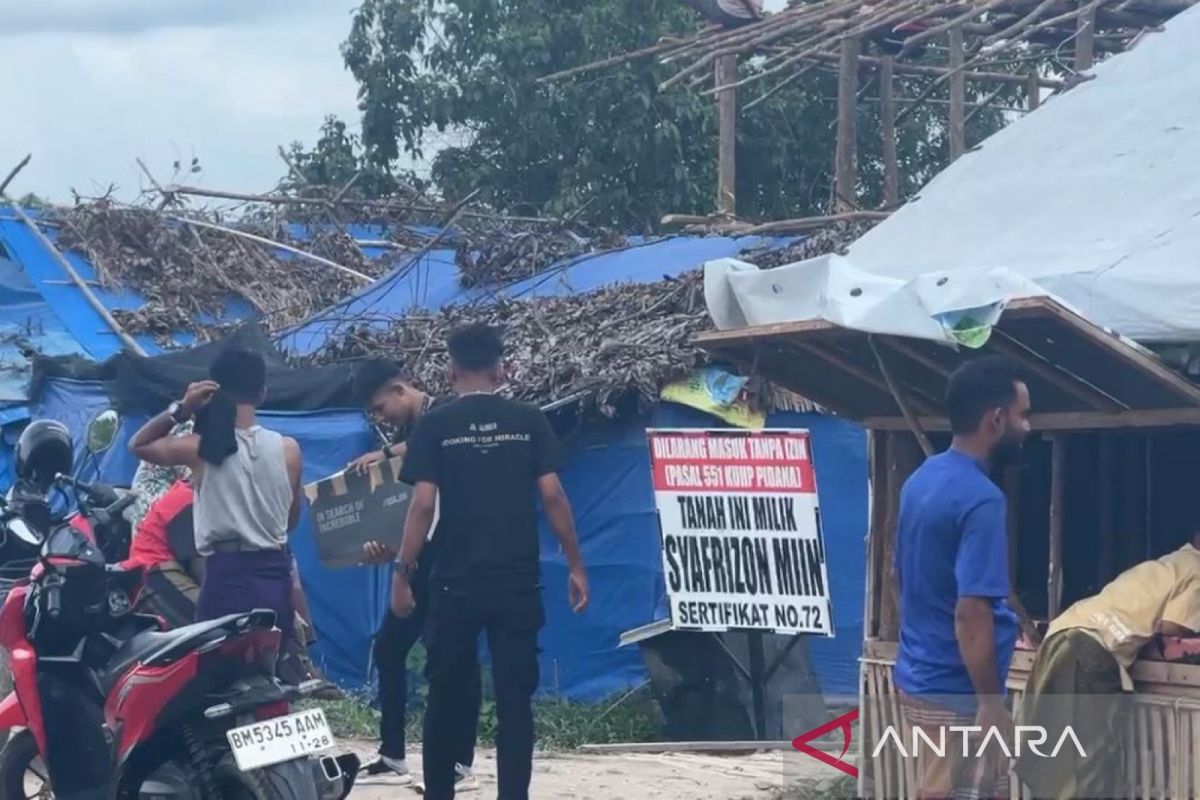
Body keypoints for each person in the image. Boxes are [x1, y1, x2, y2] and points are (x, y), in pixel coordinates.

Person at [391, 324, 589, 800]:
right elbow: (552, 495)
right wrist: (576, 565)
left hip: (455, 582)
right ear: (501, 369)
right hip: (516, 581)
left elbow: (421, 505)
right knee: (515, 699)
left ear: (451, 369)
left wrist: (403, 573)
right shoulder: (529, 420)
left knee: (444, 694)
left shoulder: (435, 425)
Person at [893, 356, 1031, 799]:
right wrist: (990, 704)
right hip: (957, 690)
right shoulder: (982, 499)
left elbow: (898, 575)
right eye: (1022, 415)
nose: (1027, 427)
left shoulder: (922, 478)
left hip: (920, 675)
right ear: (996, 419)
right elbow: (971, 612)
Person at [350, 359, 482, 791]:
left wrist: (383, 453)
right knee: (389, 648)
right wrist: (384, 546)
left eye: (381, 406)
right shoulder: (410, 433)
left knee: (455, 659)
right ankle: (392, 754)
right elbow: (402, 507)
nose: (381, 417)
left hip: (455, 554)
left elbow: (437, 443)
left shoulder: (446, 412)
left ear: (400, 390)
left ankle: (461, 763)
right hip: (418, 554)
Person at [129, 347, 302, 649]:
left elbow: (139, 445)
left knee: (216, 673)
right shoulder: (289, 450)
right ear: (262, 393)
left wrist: (181, 408)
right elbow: (291, 520)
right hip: (275, 572)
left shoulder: (201, 449)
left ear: (215, 391)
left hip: (226, 574)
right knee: (273, 673)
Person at [1016, 533, 1200, 798]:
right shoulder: (1196, 572)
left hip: (1061, 635)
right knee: (1083, 773)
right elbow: (1172, 631)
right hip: (1091, 649)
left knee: (1051, 760)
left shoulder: (1169, 563)